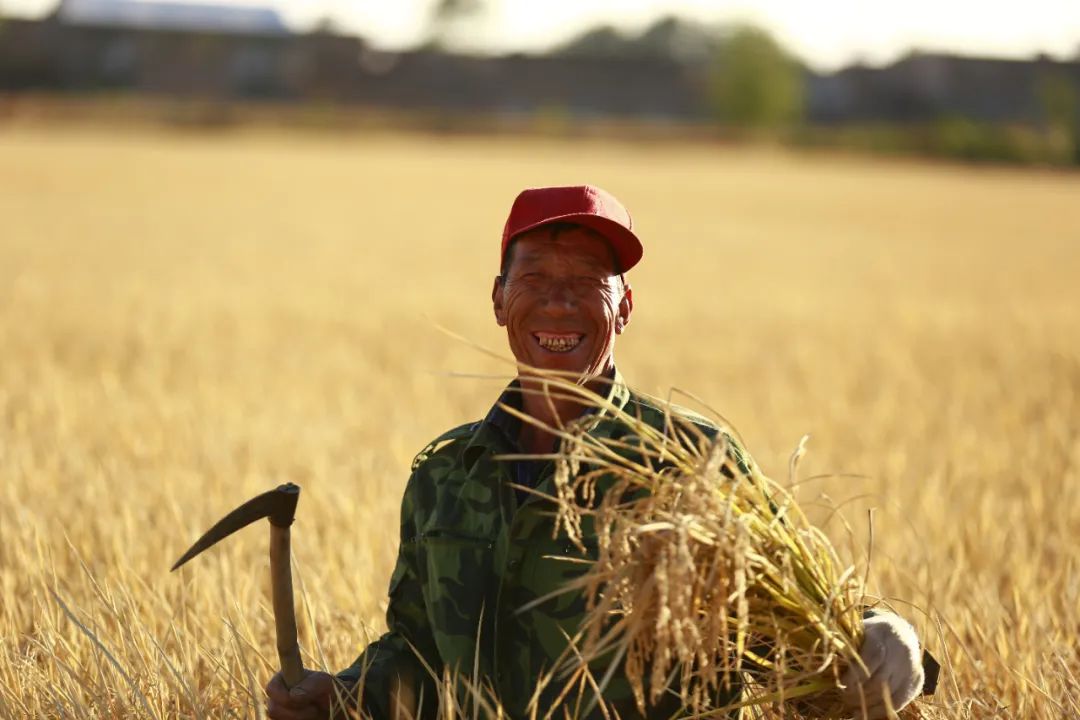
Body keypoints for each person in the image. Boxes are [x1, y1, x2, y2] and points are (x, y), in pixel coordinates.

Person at [266, 185, 929, 719]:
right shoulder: (445, 475)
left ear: (625, 306)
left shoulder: (692, 461)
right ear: (498, 299)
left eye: (588, 280)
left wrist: (886, 637)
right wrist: (344, 694)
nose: (559, 301)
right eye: (534, 276)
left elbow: (802, 626)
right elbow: (419, 655)